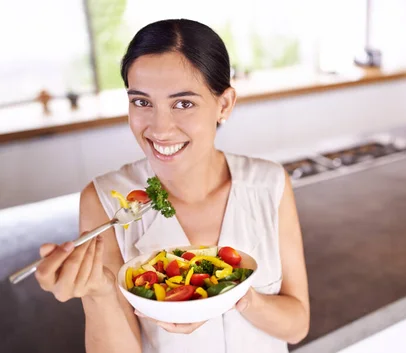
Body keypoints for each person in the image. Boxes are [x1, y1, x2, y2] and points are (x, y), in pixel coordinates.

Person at [33, 18, 310, 353]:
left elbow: (297, 326)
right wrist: (99, 292)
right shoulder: (104, 201)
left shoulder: (269, 184)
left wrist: (235, 295)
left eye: (183, 103)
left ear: (224, 105)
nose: (160, 128)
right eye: (142, 102)